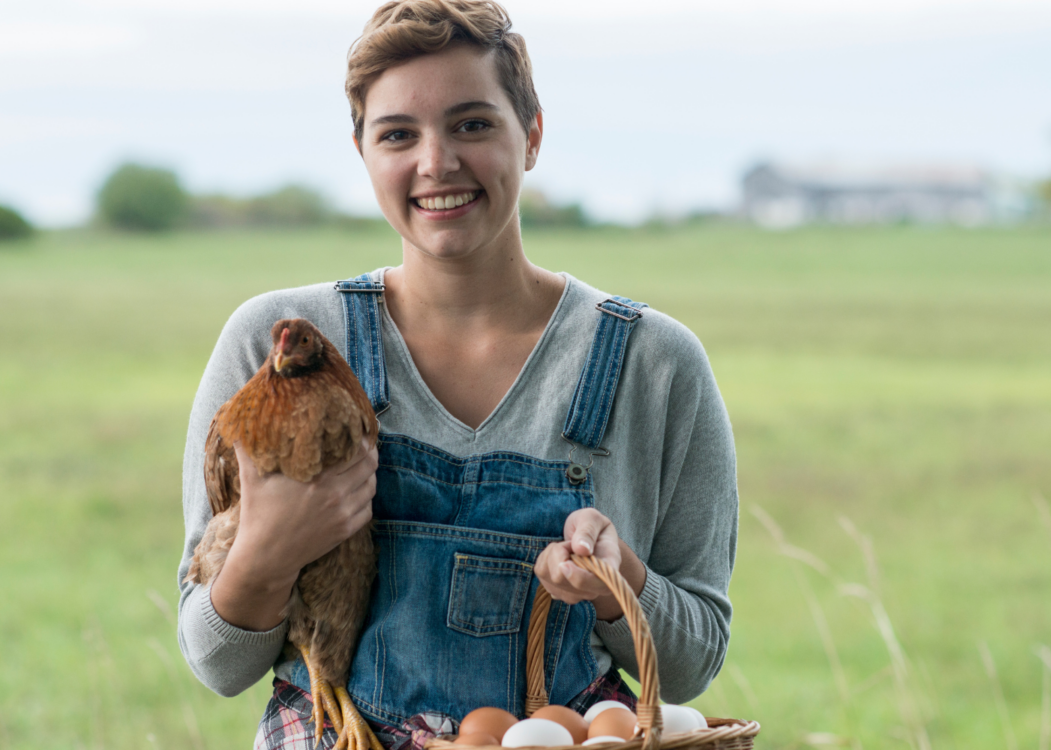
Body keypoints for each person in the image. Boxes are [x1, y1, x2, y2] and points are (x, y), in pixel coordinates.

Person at [175, 1, 739, 748]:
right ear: (362, 152)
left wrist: (618, 582)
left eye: (472, 124)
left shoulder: (655, 364)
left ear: (531, 135)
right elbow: (217, 661)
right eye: (398, 135)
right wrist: (271, 546)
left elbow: (695, 662)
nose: (436, 163)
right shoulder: (277, 346)